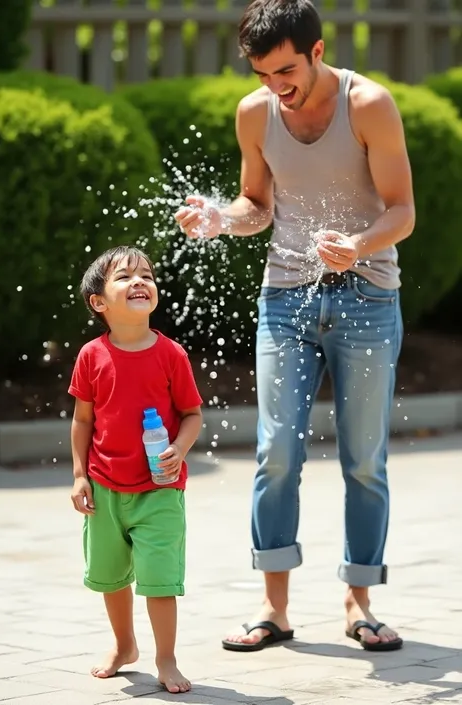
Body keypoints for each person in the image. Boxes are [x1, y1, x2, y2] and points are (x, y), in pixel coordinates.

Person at [175, 0, 414, 653]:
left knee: (364, 459)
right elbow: (257, 206)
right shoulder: (255, 113)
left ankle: (359, 601)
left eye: (285, 72)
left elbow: (402, 211)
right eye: (260, 74)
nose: (274, 87)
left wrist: (359, 244)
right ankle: (273, 607)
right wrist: (223, 219)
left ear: (316, 50)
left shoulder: (369, 104)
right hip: (285, 297)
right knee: (275, 452)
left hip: (367, 296)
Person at [68, 245, 203, 691]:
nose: (140, 281)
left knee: (160, 580)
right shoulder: (91, 356)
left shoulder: (171, 355)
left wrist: (179, 450)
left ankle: (167, 658)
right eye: (124, 277)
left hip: (160, 489)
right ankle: (125, 644)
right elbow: (83, 420)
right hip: (105, 489)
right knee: (110, 574)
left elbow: (192, 414)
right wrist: (79, 475)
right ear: (99, 302)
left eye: (146, 274)